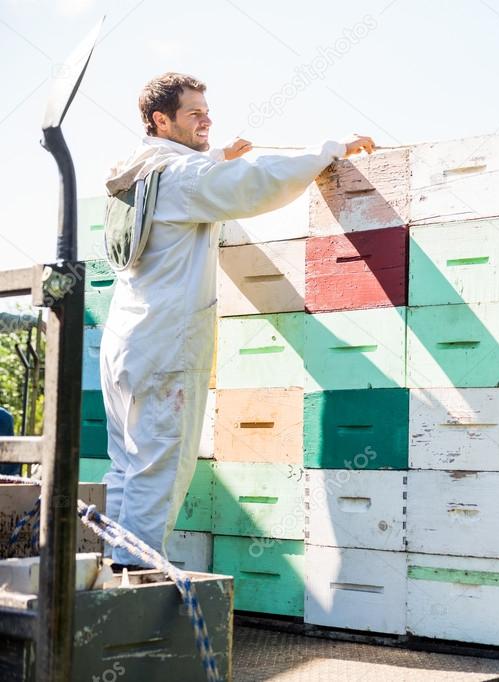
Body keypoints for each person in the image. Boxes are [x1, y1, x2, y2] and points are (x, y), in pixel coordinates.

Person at [101, 72, 374, 570]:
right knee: (162, 464)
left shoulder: (136, 174)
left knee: (128, 467)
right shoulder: (181, 178)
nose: (207, 119)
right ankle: (134, 578)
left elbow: (184, 182)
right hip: (166, 342)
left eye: (207, 110)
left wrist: (212, 156)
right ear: (161, 121)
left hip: (124, 340)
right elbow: (257, 183)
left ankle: (113, 571)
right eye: (194, 113)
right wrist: (327, 149)